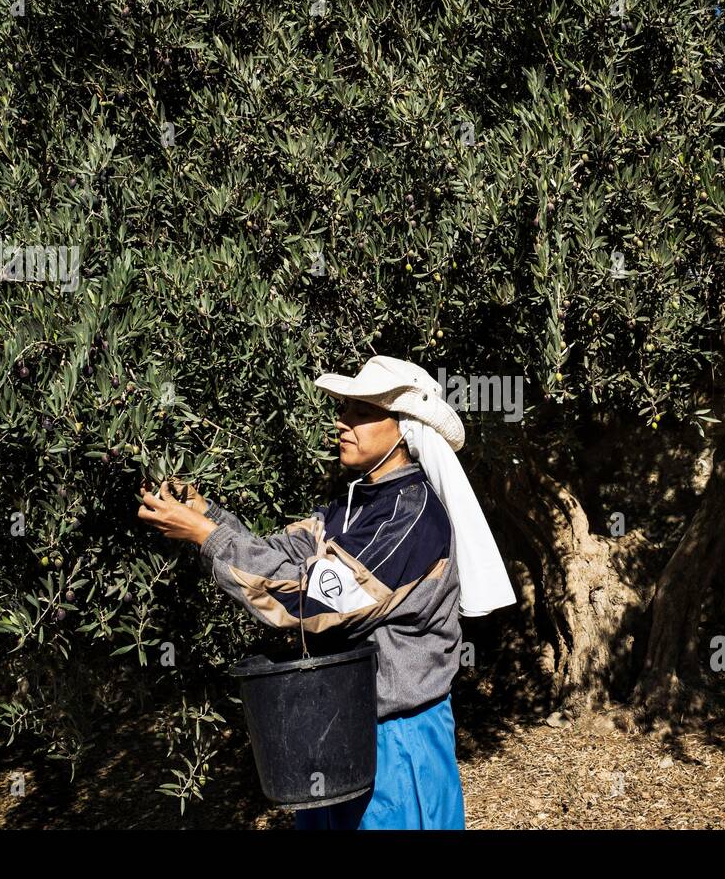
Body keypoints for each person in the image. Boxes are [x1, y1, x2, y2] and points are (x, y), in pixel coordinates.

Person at [137, 355, 516, 829]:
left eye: (361, 412)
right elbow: (282, 552)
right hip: (338, 727)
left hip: (396, 740)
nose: (342, 422)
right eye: (343, 409)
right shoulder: (352, 507)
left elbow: (307, 603)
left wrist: (204, 536)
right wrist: (210, 517)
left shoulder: (409, 520)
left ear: (404, 428)